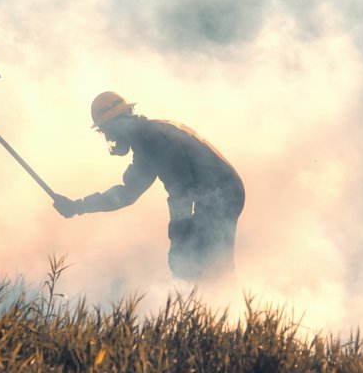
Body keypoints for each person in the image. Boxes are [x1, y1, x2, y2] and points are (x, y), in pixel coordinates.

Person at [52, 91, 245, 282]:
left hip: (221, 195)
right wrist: (78, 206)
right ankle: (219, 303)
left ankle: (217, 302)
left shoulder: (154, 139)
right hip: (221, 192)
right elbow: (127, 194)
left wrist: (179, 237)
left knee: (201, 263)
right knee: (204, 262)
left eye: (106, 131)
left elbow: (181, 190)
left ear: (118, 125)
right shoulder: (146, 141)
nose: (109, 138)